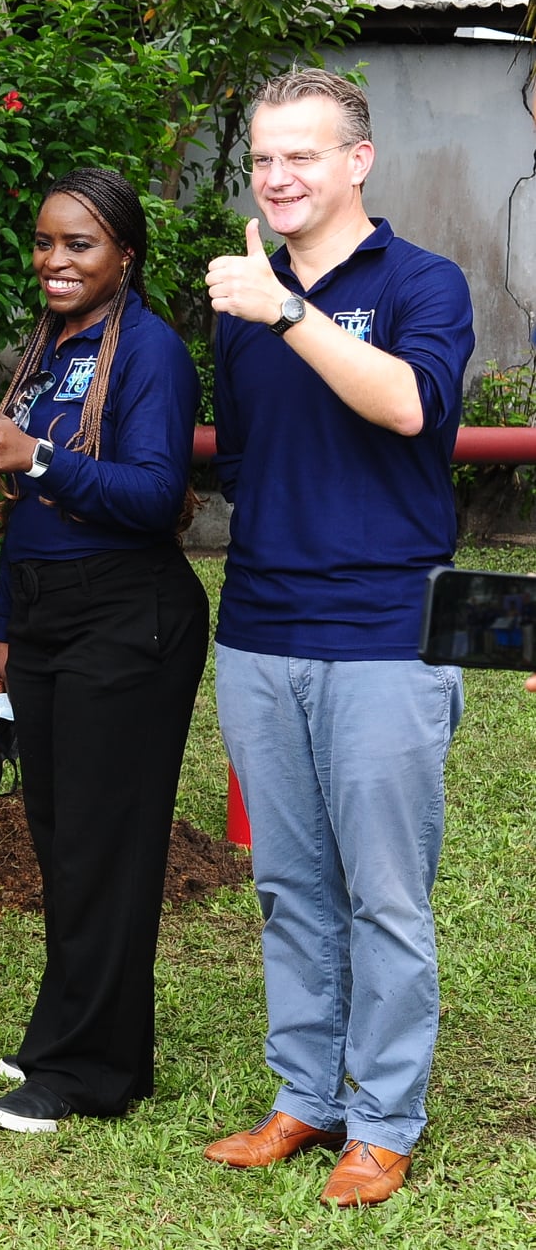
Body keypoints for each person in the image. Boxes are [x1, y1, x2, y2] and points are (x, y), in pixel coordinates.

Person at [201, 67, 472, 1207]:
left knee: (384, 892)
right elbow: (260, 456)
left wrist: (290, 311)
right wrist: (266, 305)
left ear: (357, 161)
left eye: (300, 156)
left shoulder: (424, 281)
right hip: (260, 625)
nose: (276, 178)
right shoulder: (241, 296)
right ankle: (305, 1095)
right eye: (263, 159)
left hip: (382, 633)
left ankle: (384, 1118)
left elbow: (410, 405)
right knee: (287, 882)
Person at [0, 168, 208, 1132]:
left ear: (125, 257)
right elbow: (24, 517)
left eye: (80, 245)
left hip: (128, 615)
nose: (55, 262)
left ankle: (89, 1072)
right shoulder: (51, 348)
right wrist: (3, 631)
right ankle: (78, 1028)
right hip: (48, 615)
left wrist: (40, 457)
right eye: (45, 243)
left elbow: (155, 497)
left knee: (108, 845)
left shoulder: (151, 350)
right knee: (63, 838)